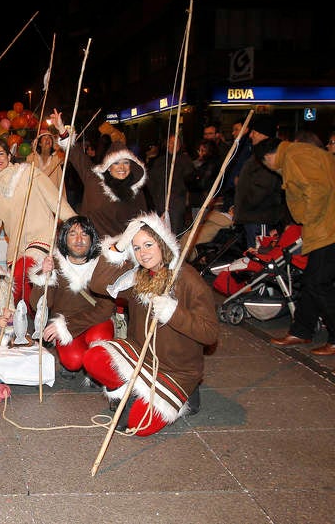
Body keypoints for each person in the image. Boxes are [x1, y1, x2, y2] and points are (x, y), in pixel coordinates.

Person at [84, 213, 218, 436]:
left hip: (177, 369)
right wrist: (119, 247)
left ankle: (187, 393)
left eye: (148, 244)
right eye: (136, 248)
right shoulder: (137, 276)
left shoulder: (188, 279)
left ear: (163, 243)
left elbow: (209, 334)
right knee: (93, 358)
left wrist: (174, 312)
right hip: (140, 353)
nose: (143, 253)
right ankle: (131, 391)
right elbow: (98, 284)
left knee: (139, 426)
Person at [0, 139, 75, 310]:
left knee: (19, 276)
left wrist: (76, 223)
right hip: (16, 249)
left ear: (10, 156)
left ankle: (15, 317)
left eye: (1, 153)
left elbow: (56, 200)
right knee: (25, 296)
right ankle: (31, 327)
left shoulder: (30, 173)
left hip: (40, 238)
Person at [254, 139, 335, 356]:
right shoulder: (300, 152)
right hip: (324, 228)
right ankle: (301, 330)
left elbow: (318, 189)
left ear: (268, 158)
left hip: (327, 229)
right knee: (312, 282)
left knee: (318, 283)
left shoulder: (294, 156)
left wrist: (307, 218)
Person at [28, 216, 116, 372]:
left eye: (84, 234)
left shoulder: (102, 264)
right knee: (73, 362)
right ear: (64, 238)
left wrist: (68, 325)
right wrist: (44, 278)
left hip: (96, 320)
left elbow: (106, 308)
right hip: (65, 322)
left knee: (98, 340)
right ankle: (68, 353)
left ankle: (97, 368)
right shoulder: (54, 264)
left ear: (92, 238)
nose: (79, 239)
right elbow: (40, 306)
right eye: (73, 234)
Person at [51, 110, 148, 238]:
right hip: (88, 245)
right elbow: (76, 154)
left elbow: (142, 224)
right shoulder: (94, 179)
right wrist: (62, 129)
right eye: (116, 163)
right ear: (108, 167)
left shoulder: (135, 191)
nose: (122, 167)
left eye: (126, 163)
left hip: (119, 251)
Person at [232, 114, 284, 249]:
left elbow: (264, 187)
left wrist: (244, 201)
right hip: (252, 216)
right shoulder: (257, 153)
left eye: (254, 132)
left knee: (261, 252)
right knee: (253, 252)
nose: (250, 136)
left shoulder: (268, 156)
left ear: (263, 134)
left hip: (260, 217)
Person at [146, 134, 193, 234]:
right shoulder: (159, 161)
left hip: (176, 202)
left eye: (175, 143)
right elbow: (151, 180)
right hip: (160, 201)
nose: (172, 145)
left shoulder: (185, 160)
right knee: (162, 231)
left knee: (174, 231)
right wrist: (155, 197)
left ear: (180, 145)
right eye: (170, 142)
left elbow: (189, 181)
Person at [186, 140, 221, 221]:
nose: (200, 153)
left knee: (201, 226)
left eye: (203, 151)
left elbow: (202, 183)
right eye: (199, 150)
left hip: (203, 200)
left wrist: (192, 181)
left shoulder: (210, 165)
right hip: (198, 200)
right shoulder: (202, 164)